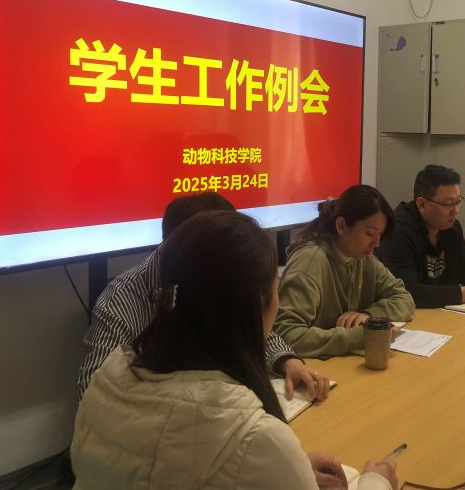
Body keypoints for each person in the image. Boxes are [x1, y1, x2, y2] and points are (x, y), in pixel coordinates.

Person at [71, 210, 397, 489]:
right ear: (253, 307)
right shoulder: (255, 435)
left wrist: (285, 471)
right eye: (276, 287)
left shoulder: (107, 381)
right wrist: (375, 482)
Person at [77, 192, 330, 404]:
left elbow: (247, 326)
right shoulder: (121, 298)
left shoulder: (218, 278)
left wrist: (287, 362)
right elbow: (93, 391)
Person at [274, 185, 415, 357]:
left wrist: (368, 315)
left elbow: (405, 299)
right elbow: (286, 335)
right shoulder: (310, 261)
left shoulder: (363, 257)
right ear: (341, 226)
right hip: (314, 366)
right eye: (370, 234)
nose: (376, 243)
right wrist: (360, 336)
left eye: (380, 234)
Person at [377, 164, 465, 308]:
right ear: (422, 204)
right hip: (410, 314)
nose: (456, 211)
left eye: (458, 202)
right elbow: (408, 292)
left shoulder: (452, 228)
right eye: (448, 204)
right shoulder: (397, 231)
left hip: (442, 312)